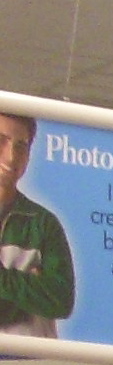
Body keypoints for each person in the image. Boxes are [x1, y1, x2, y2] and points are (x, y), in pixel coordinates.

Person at [0, 109, 74, 338]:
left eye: (21, 146)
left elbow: (61, 300)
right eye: (1, 141)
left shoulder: (43, 223)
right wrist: (29, 287)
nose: (11, 157)